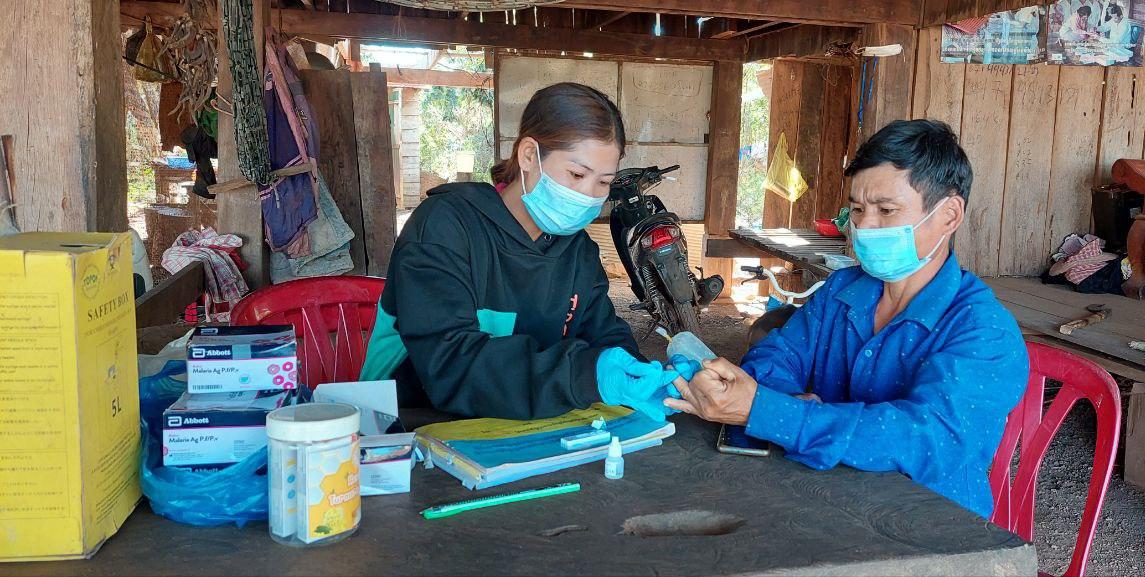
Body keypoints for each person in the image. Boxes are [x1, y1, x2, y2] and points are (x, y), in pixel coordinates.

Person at [666, 120, 1030, 517]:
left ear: (949, 215)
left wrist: (773, 413)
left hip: (928, 524)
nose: (864, 226)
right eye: (857, 209)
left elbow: (922, 439)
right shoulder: (842, 291)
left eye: (886, 210)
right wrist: (786, 406)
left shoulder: (984, 331)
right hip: (826, 499)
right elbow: (776, 356)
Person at [360, 82, 678, 421]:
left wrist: (639, 374)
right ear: (528, 155)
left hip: (519, 429)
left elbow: (603, 335)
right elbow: (449, 363)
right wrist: (586, 375)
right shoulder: (444, 227)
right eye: (576, 174)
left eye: (602, 182)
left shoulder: (578, 252)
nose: (588, 195)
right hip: (407, 427)